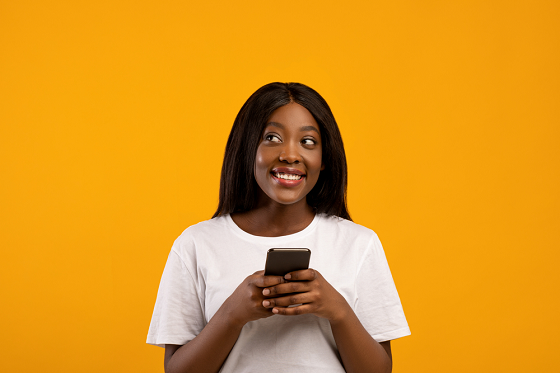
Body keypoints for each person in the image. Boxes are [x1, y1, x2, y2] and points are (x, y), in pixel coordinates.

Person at [147, 82, 410, 373]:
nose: (290, 154)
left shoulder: (359, 244)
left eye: (308, 142)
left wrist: (338, 310)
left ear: (324, 160)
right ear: (248, 148)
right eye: (272, 137)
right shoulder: (195, 244)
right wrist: (232, 315)